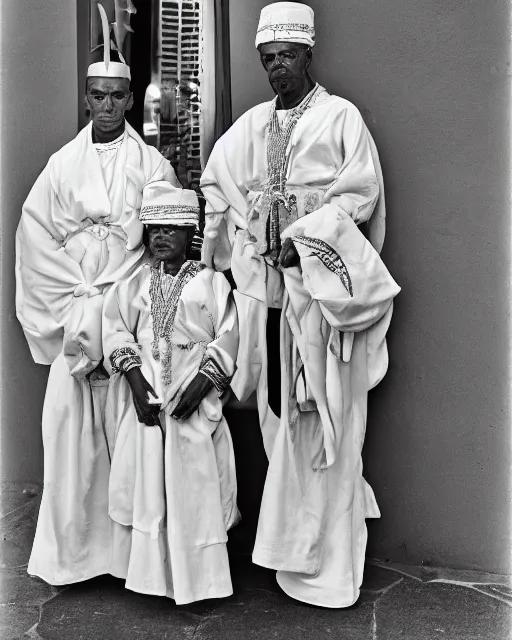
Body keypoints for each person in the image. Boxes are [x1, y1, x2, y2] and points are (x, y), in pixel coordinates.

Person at [200, 2, 401, 608]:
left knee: (328, 421)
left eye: (286, 56)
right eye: (267, 59)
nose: (277, 68)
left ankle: (331, 563)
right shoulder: (252, 125)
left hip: (319, 303)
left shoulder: (341, 118)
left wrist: (303, 242)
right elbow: (216, 181)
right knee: (281, 419)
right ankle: (291, 553)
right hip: (267, 301)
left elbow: (359, 195)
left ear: (310, 53)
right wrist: (243, 233)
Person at [15, 3, 179, 586]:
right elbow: (35, 236)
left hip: (127, 311)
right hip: (78, 309)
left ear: (130, 99)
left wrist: (124, 302)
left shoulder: (153, 163)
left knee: (128, 434)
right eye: (98, 97)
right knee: (69, 433)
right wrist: (77, 296)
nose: (107, 106)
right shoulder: (61, 166)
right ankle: (74, 556)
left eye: (116, 96)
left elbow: (166, 239)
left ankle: (126, 559)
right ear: (87, 100)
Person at [102, 181, 239, 604]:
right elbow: (116, 328)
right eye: (155, 229)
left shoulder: (212, 283)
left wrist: (203, 384)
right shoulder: (132, 284)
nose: (161, 236)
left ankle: (199, 579)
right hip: (148, 404)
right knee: (148, 484)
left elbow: (229, 335)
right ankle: (149, 576)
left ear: (189, 233)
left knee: (194, 488)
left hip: (191, 404)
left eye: (171, 229)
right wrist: (133, 380)